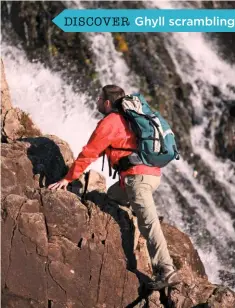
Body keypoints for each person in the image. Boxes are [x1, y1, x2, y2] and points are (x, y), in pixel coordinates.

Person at [48, 84, 180, 290]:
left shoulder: (110, 122)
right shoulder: (131, 117)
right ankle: (138, 211)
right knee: (112, 196)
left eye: (99, 99)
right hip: (148, 175)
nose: (97, 102)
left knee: (149, 223)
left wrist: (67, 178)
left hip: (138, 179)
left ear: (107, 103)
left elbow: (89, 153)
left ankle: (166, 270)